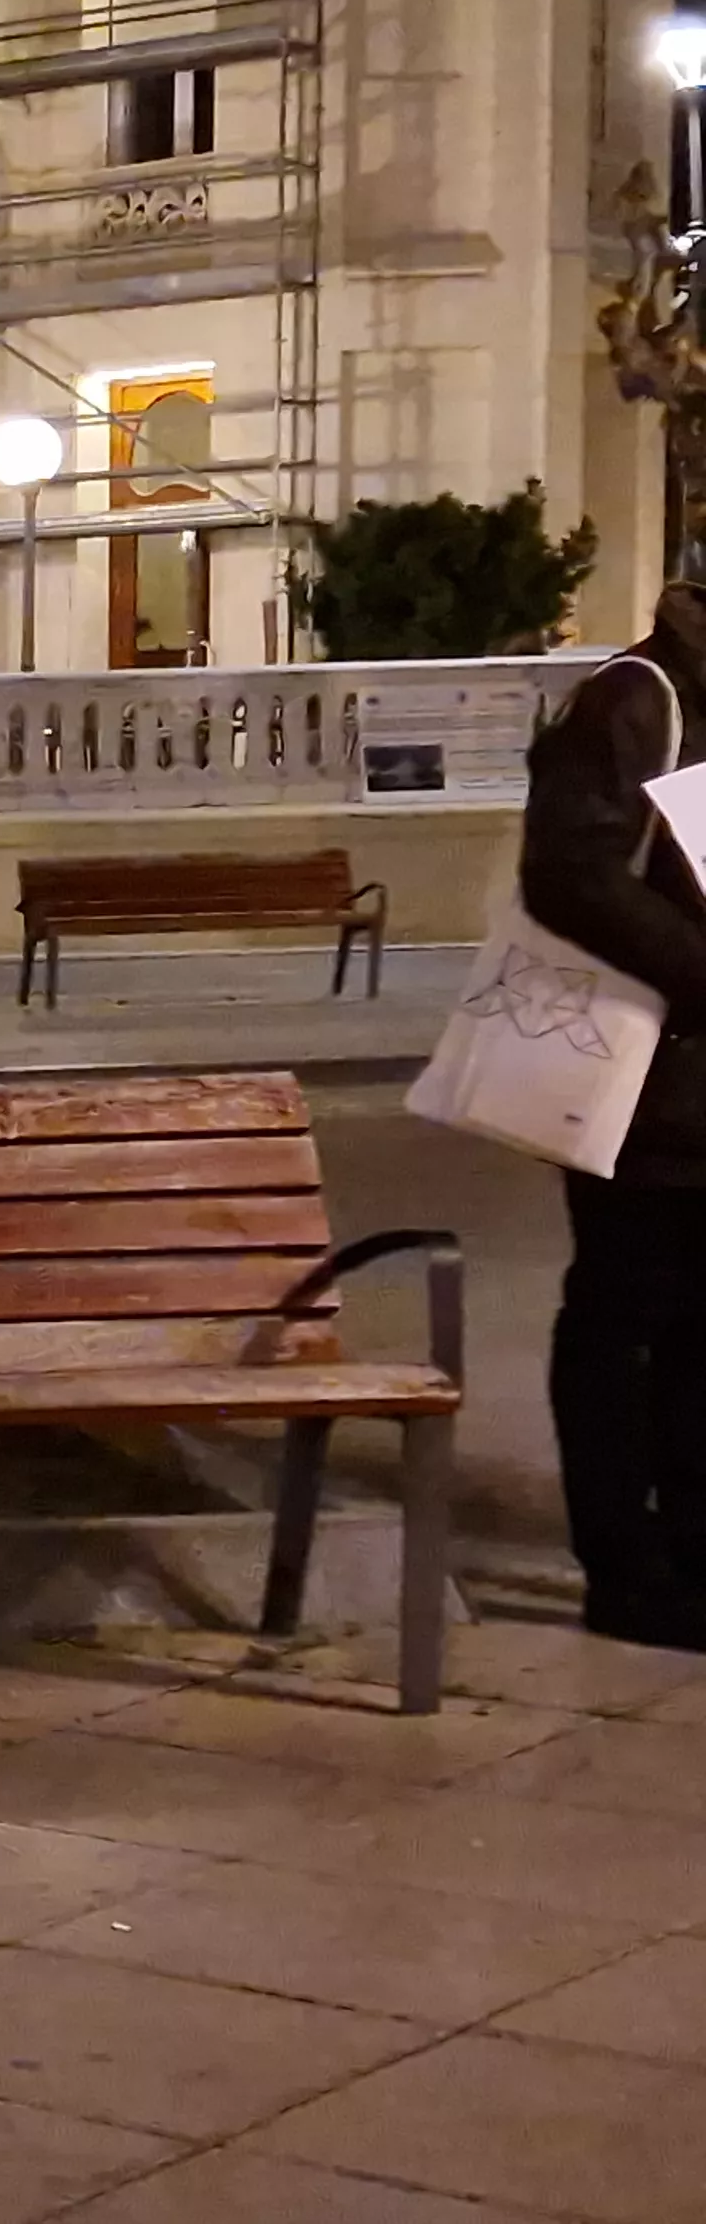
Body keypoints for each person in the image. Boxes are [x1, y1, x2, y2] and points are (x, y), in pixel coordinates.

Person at [521, 580, 706, 1650]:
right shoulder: (635, 700)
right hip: (637, 1084)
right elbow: (569, 874)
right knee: (624, 1319)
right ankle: (623, 1567)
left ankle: (691, 1547)